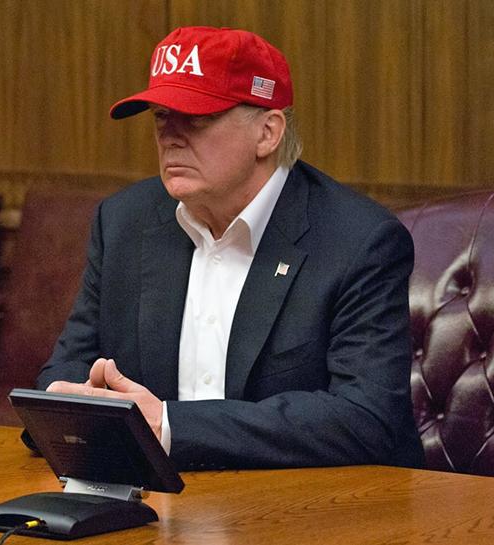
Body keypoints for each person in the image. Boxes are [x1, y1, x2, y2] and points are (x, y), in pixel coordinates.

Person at [36, 26, 424, 471]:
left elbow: (364, 419)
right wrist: (63, 402)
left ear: (268, 132)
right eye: (161, 116)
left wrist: (170, 426)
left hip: (314, 502)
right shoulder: (124, 222)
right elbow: (65, 371)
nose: (170, 137)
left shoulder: (359, 240)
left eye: (196, 118)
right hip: (157, 498)